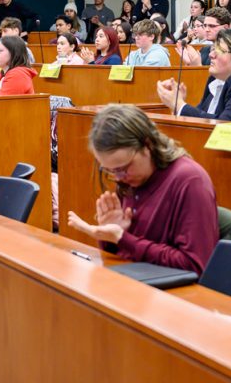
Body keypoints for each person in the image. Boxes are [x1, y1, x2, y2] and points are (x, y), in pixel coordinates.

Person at [65, 104, 218, 274]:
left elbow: (194, 266)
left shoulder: (190, 180)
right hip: (134, 283)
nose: (118, 178)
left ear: (148, 145)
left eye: (123, 168)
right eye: (110, 170)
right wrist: (110, 237)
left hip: (171, 295)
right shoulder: (129, 178)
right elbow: (122, 257)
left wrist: (123, 238)